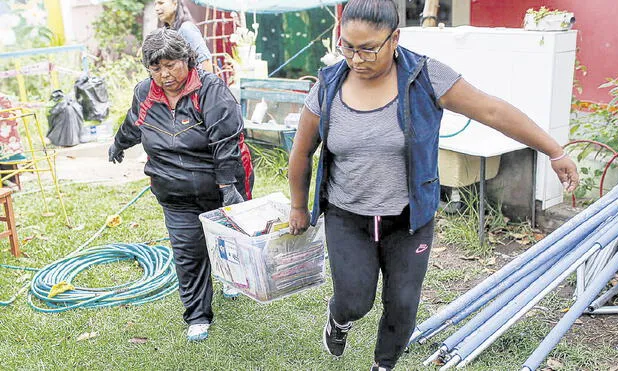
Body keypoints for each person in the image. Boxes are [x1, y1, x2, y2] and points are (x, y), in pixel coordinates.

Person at [287, 0, 579, 369]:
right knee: (354, 300)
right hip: (348, 216)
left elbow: (491, 110)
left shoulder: (425, 76)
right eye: (348, 46)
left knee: (403, 304)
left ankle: (384, 364)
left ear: (395, 38)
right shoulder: (327, 86)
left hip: (410, 218)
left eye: (368, 49)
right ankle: (339, 318)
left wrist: (553, 150)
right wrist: (299, 206)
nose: (356, 59)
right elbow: (301, 153)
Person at [108, 28, 253, 342]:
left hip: (217, 185)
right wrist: (119, 144)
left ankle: (231, 278)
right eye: (156, 68)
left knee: (226, 241)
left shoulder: (210, 90)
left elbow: (225, 141)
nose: (164, 74)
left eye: (171, 65)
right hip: (173, 191)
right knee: (188, 252)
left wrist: (228, 184)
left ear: (186, 60)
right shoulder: (145, 92)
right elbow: (136, 122)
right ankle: (198, 315)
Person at [155, 0, 214, 73]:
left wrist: (207, 84)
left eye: (161, 3)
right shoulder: (169, 32)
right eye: (155, 4)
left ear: (175, 3)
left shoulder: (186, 28)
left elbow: (205, 61)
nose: (156, 8)